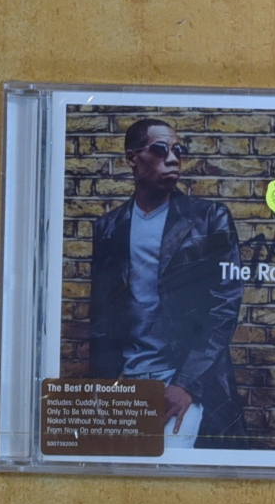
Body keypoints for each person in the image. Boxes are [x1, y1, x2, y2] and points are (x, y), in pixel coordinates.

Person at [89, 118, 247, 449]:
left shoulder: (209, 219)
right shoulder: (109, 228)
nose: (173, 158)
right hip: (126, 383)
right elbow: (103, 317)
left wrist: (185, 384)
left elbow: (223, 309)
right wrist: (103, 388)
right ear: (132, 158)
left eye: (178, 150)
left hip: (184, 386)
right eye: (160, 150)